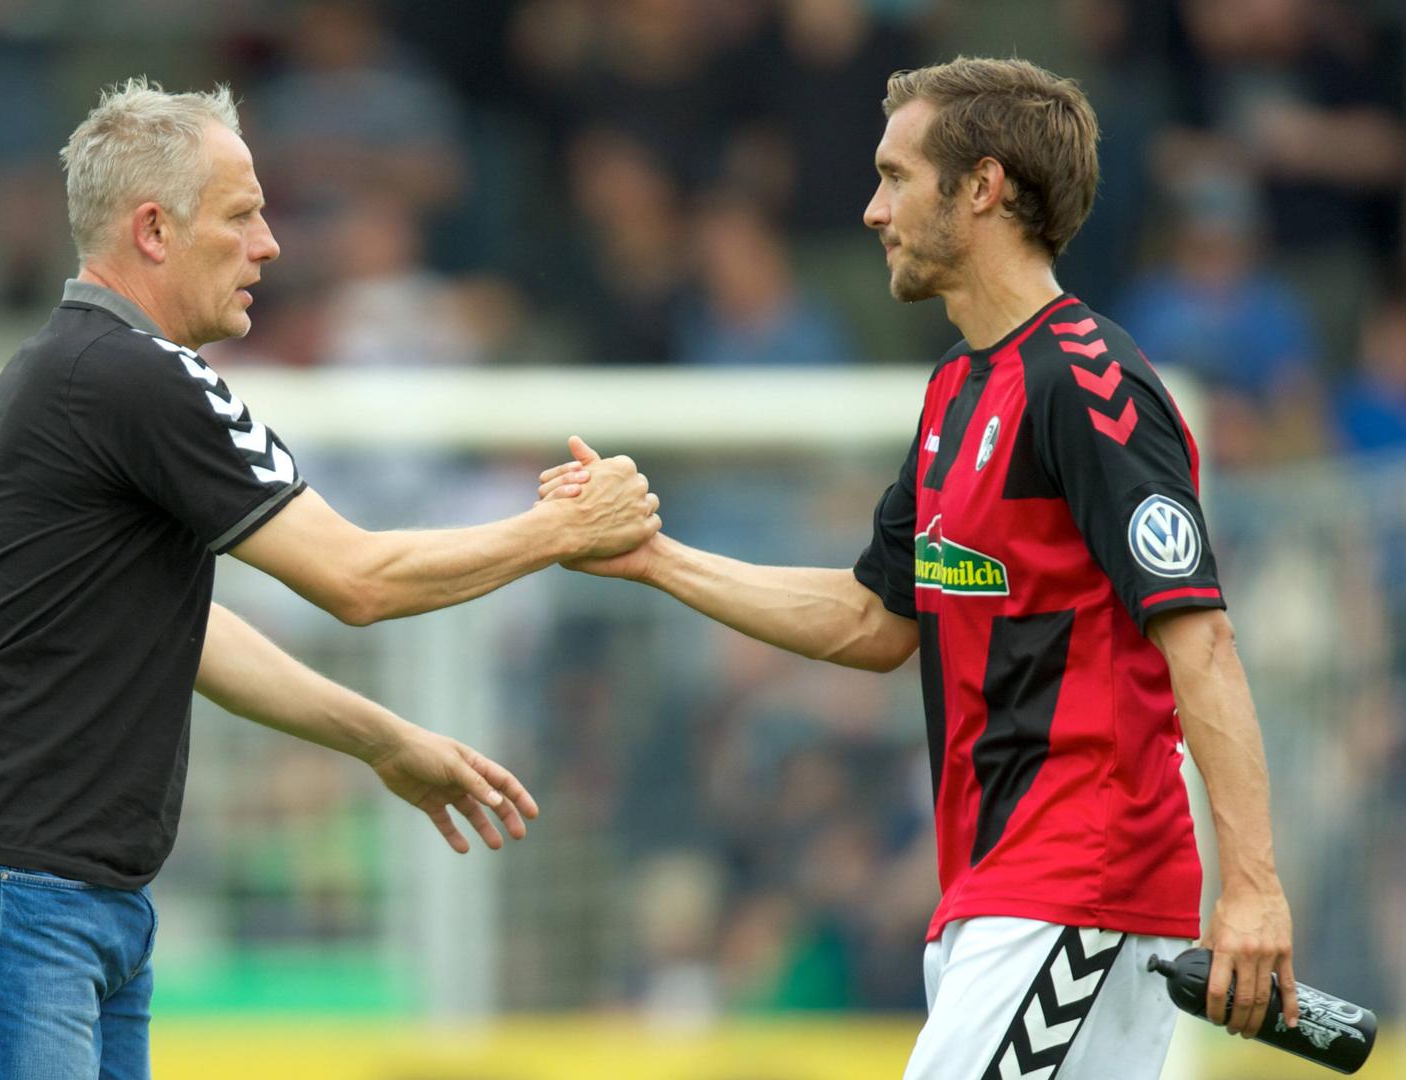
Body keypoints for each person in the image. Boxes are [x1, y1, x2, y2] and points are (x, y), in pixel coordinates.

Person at [0, 77, 659, 1080]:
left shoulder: (82, 374)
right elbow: (358, 578)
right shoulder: (134, 376)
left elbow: (187, 631)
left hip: (60, 885)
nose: (271, 245)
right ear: (155, 230)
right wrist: (560, 530)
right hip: (12, 883)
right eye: (243, 215)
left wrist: (384, 740)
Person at [540, 57, 1297, 1078]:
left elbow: (1199, 637)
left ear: (982, 188)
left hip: (1078, 888)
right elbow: (871, 619)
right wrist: (654, 560)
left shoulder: (1093, 382)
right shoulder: (955, 392)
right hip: (993, 899)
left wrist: (1251, 886)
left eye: (896, 177)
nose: (870, 210)